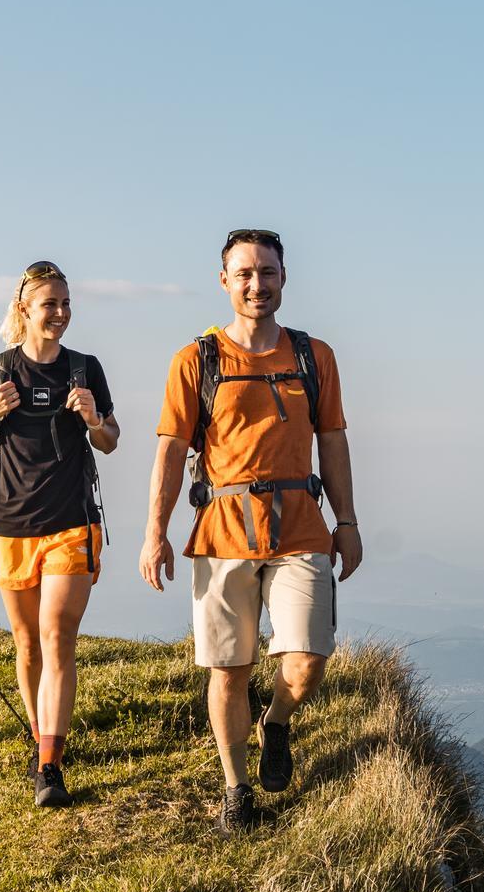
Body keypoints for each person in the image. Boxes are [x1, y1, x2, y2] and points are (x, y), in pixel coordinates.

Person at [139, 228, 362, 834]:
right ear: (224, 282)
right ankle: (237, 788)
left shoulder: (315, 357)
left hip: (301, 526)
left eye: (267, 272)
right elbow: (170, 449)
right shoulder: (197, 360)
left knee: (307, 662)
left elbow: (333, 441)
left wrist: (347, 521)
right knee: (228, 670)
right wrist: (155, 531)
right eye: (244, 274)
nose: (256, 284)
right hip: (221, 530)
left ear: (284, 279)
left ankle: (278, 722)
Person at [0, 260, 118, 808]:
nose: (60, 313)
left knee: (57, 636)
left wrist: (94, 418)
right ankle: (40, 739)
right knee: (27, 643)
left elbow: (110, 441)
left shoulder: (84, 368)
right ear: (24, 308)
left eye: (66, 304)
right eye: (50, 303)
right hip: (9, 524)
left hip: (71, 521)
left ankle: (50, 765)